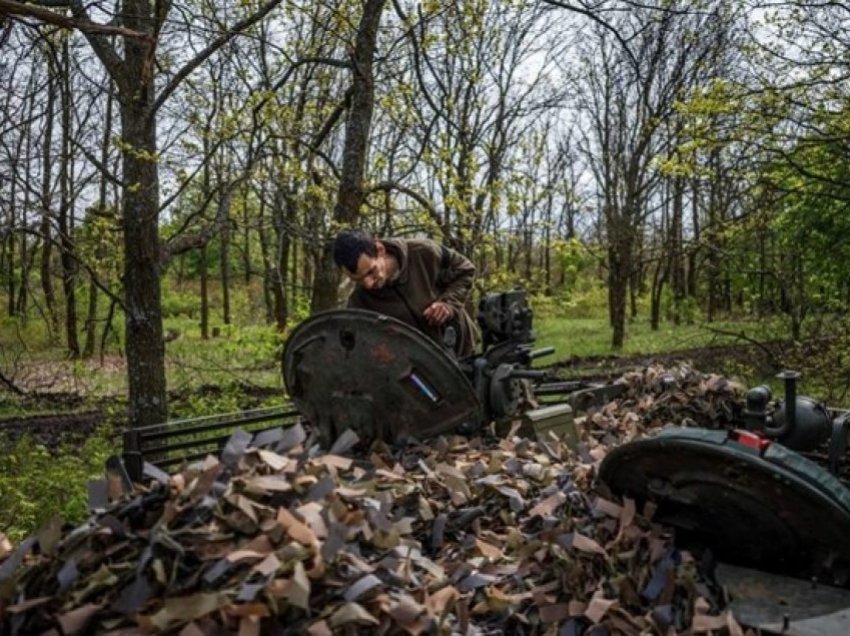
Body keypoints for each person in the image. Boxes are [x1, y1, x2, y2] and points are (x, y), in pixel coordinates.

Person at [332, 229, 479, 356]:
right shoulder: (358, 303)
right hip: (418, 374)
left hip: (461, 351)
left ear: (380, 250)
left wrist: (448, 304)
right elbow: (355, 346)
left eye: (371, 271)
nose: (368, 284)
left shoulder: (424, 252)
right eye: (358, 280)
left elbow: (465, 270)